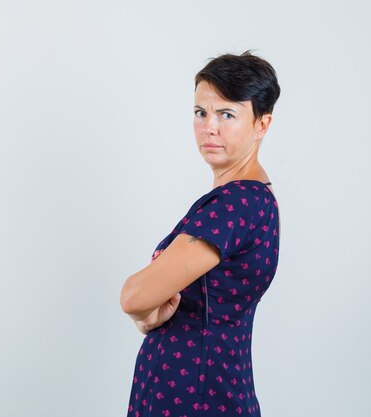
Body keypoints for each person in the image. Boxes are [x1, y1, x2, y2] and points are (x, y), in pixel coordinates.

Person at [120, 50, 281, 416]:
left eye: (227, 114)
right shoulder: (252, 198)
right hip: (203, 384)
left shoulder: (238, 202)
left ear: (262, 124)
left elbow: (134, 295)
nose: (209, 126)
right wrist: (144, 314)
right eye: (201, 112)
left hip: (196, 393)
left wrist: (140, 310)